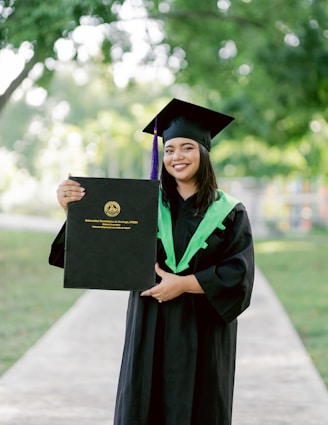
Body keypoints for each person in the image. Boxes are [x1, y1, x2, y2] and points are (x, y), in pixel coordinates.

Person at [49, 98, 254, 425]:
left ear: (204, 151)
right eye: (170, 149)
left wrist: (183, 284)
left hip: (205, 329)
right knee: (145, 404)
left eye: (187, 147)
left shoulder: (230, 211)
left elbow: (239, 276)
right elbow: (105, 249)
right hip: (151, 324)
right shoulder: (142, 205)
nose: (177, 157)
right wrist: (72, 212)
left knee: (202, 407)